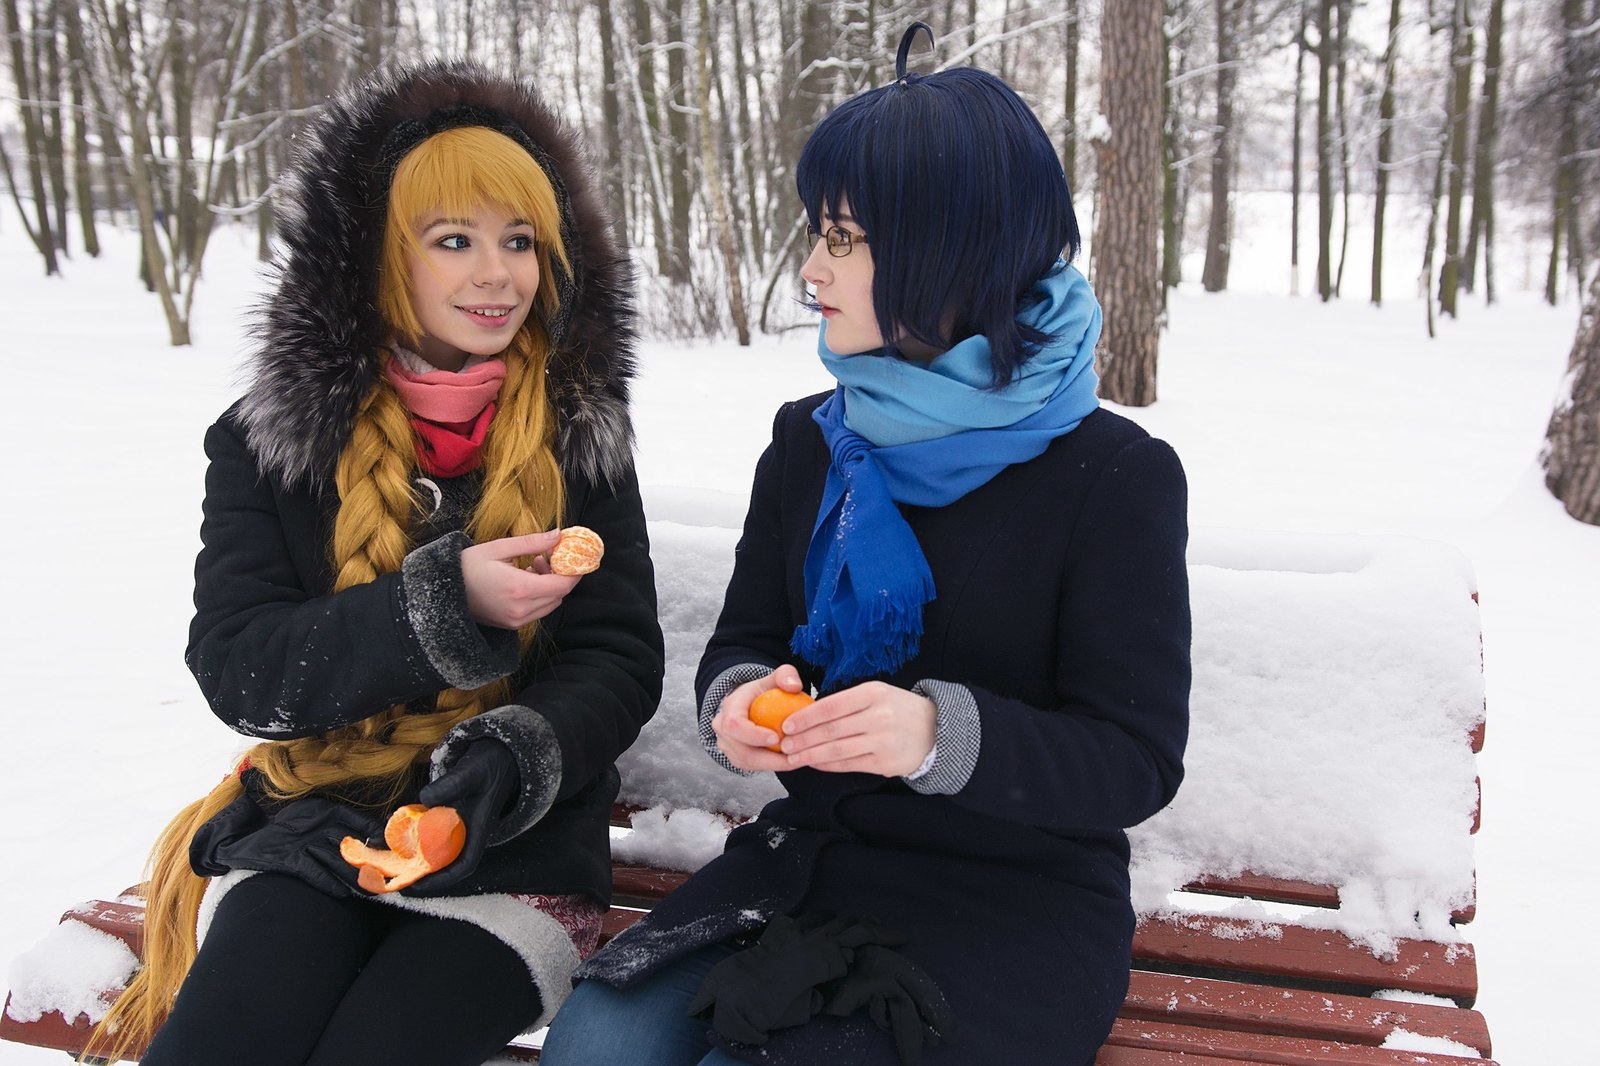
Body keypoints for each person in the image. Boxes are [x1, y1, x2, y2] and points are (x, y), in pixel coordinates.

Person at [540, 25, 1190, 1066]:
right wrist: (742, 702)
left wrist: (936, 734)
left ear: (948, 249)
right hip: (806, 865)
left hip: (1008, 907)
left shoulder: (1113, 477)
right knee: (593, 1053)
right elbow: (748, 638)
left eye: (842, 239)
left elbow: (1135, 760)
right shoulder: (811, 439)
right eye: (816, 233)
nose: (810, 269)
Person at [89, 62, 664, 1066]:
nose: (498, 275)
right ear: (376, 261)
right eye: (456, 242)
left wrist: (501, 763)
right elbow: (241, 667)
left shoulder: (580, 437)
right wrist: (443, 607)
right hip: (315, 833)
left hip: (512, 856)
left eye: (518, 241)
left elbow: (617, 656)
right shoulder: (273, 444)